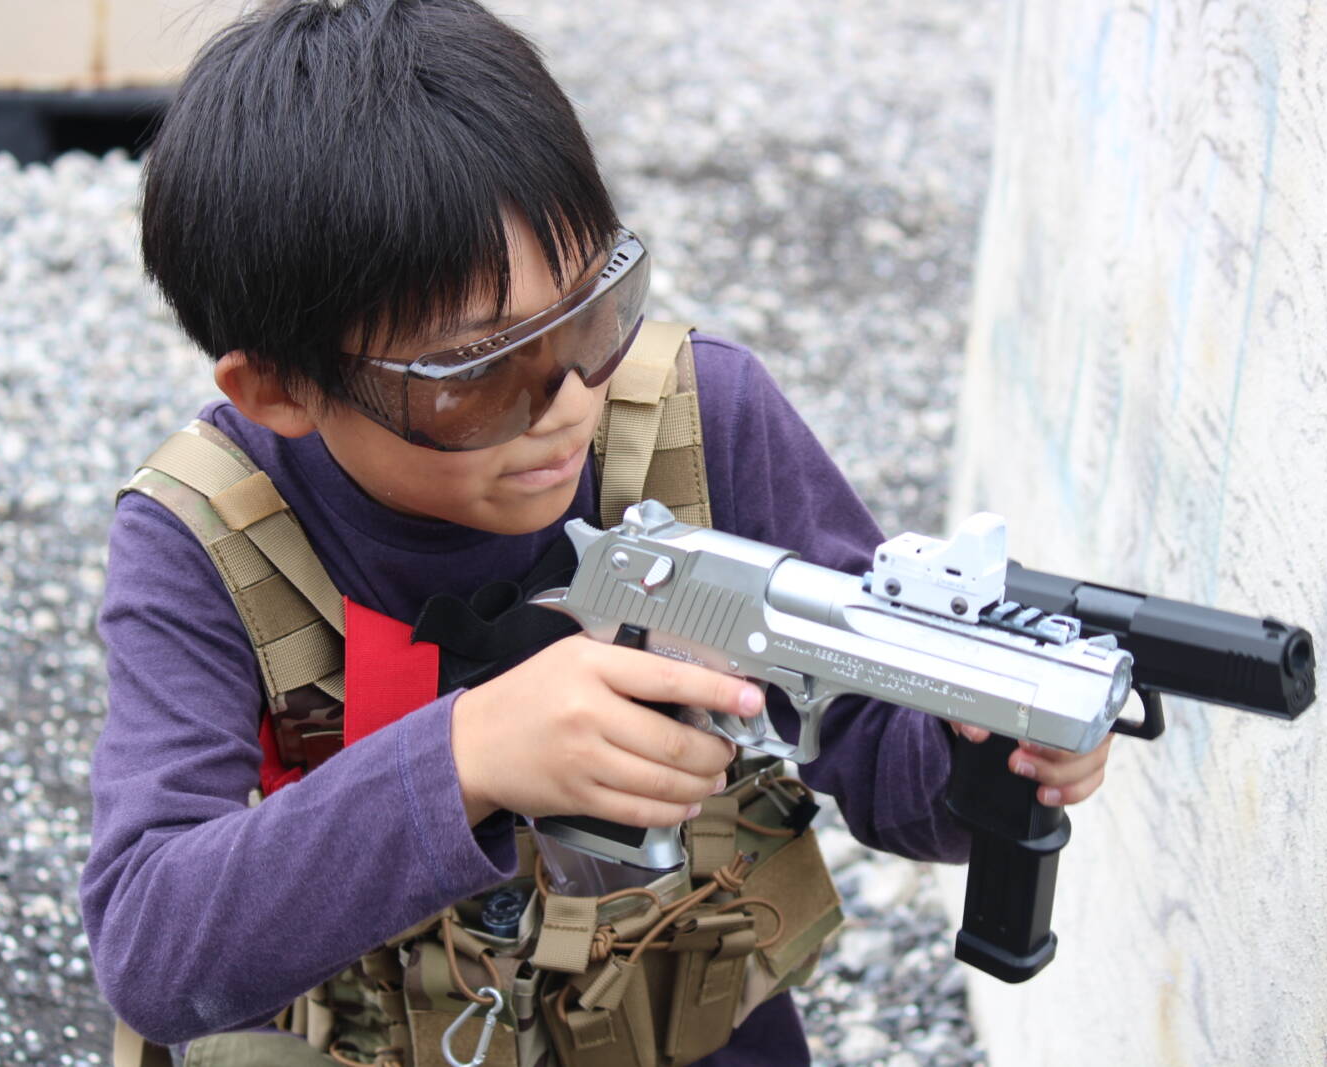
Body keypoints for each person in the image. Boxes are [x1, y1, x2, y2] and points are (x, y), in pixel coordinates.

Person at [79, 1, 1114, 1063]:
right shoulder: (206, 536)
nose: (570, 399)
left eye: (589, 314)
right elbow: (152, 947)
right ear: (280, 389)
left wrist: (982, 745)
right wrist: (468, 756)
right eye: (474, 370)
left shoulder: (697, 422)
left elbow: (884, 757)